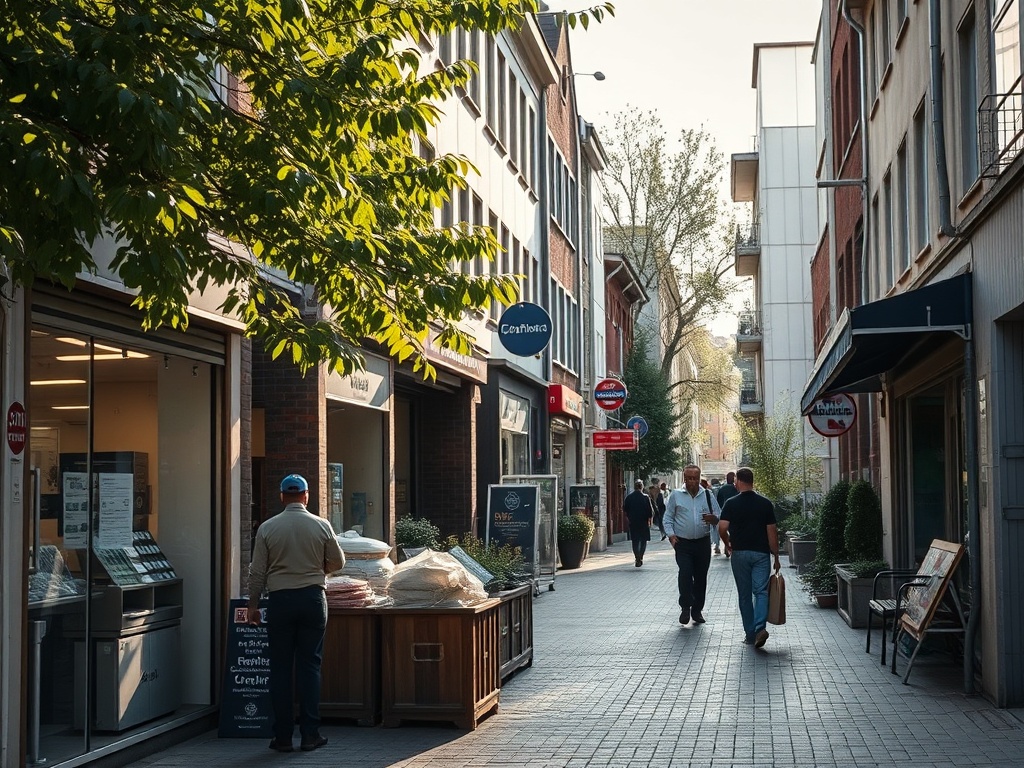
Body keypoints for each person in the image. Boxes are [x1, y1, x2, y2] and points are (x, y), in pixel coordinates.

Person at [248, 474, 346, 753]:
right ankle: (310, 735)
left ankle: (282, 737)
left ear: (282, 496)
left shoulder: (267, 528)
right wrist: (319, 570)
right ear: (306, 496)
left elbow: (257, 572)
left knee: (279, 669)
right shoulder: (321, 525)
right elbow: (338, 562)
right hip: (313, 599)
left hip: (279, 600)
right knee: (310, 667)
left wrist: (252, 606)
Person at [717, 467, 781, 649]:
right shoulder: (765, 503)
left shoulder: (731, 503)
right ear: (752, 481)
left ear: (737, 481)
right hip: (761, 553)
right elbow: (772, 532)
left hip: (740, 554)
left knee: (744, 595)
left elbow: (721, 528)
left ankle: (750, 634)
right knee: (760, 592)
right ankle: (760, 627)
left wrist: (727, 543)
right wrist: (775, 555)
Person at [663, 464, 722, 625]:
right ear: (684, 479)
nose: (692, 481)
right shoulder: (676, 495)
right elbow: (667, 518)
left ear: (699, 478)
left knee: (701, 577)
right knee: (685, 573)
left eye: (695, 478)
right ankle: (685, 607)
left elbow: (719, 515)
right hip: (683, 543)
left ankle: (697, 610)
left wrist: (713, 519)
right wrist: (671, 535)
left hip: (702, 543)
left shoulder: (708, 495)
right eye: (689, 478)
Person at [623, 480, 655, 567]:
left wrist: (629, 518)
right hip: (643, 522)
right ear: (642, 487)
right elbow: (650, 511)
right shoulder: (645, 497)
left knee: (635, 541)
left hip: (633, 522)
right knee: (643, 540)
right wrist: (649, 519)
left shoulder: (629, 497)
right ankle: (640, 557)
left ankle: (637, 557)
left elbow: (625, 509)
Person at [715, 471, 740, 557]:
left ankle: (726, 545)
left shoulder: (722, 489)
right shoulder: (736, 488)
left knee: (725, 529)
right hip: (735, 512)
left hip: (724, 511)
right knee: (732, 530)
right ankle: (728, 546)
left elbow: (719, 501)